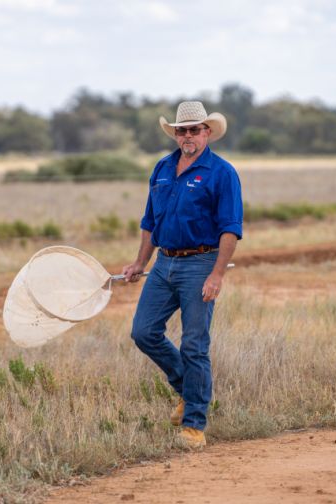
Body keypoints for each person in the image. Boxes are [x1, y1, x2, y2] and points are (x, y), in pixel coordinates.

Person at [122, 101, 243, 449]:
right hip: (163, 263)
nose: (187, 136)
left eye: (194, 129)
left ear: (207, 132)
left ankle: (194, 425)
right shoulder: (161, 168)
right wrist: (139, 262)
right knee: (143, 332)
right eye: (181, 130)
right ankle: (189, 391)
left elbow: (230, 229)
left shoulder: (222, 173)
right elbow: (149, 223)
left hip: (201, 264)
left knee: (194, 344)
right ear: (175, 133)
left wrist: (217, 275)